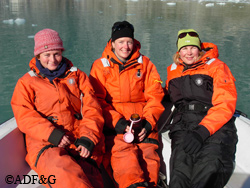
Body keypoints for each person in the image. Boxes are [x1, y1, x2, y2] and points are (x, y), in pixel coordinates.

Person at [11, 28, 105, 188]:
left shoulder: (78, 77)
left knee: (92, 178)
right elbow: (24, 116)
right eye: (47, 55)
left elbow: (92, 109)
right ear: (38, 56)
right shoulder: (26, 83)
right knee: (66, 176)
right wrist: (51, 134)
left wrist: (88, 138)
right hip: (45, 144)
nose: (52, 59)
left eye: (57, 54)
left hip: (78, 141)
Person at [89, 21, 165, 188]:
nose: (126, 46)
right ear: (113, 43)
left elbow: (155, 95)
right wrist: (117, 122)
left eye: (129, 42)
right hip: (116, 127)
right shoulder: (99, 67)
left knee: (149, 158)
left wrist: (148, 122)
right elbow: (96, 100)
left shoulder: (146, 64)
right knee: (123, 155)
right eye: (121, 42)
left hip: (143, 124)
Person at [164, 29, 238, 188]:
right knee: (179, 176)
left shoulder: (217, 66)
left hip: (214, 125)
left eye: (192, 47)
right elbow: (166, 96)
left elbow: (225, 102)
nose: (188, 52)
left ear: (199, 48)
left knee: (208, 170)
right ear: (179, 51)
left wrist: (202, 131)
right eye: (184, 48)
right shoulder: (172, 71)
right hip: (183, 125)